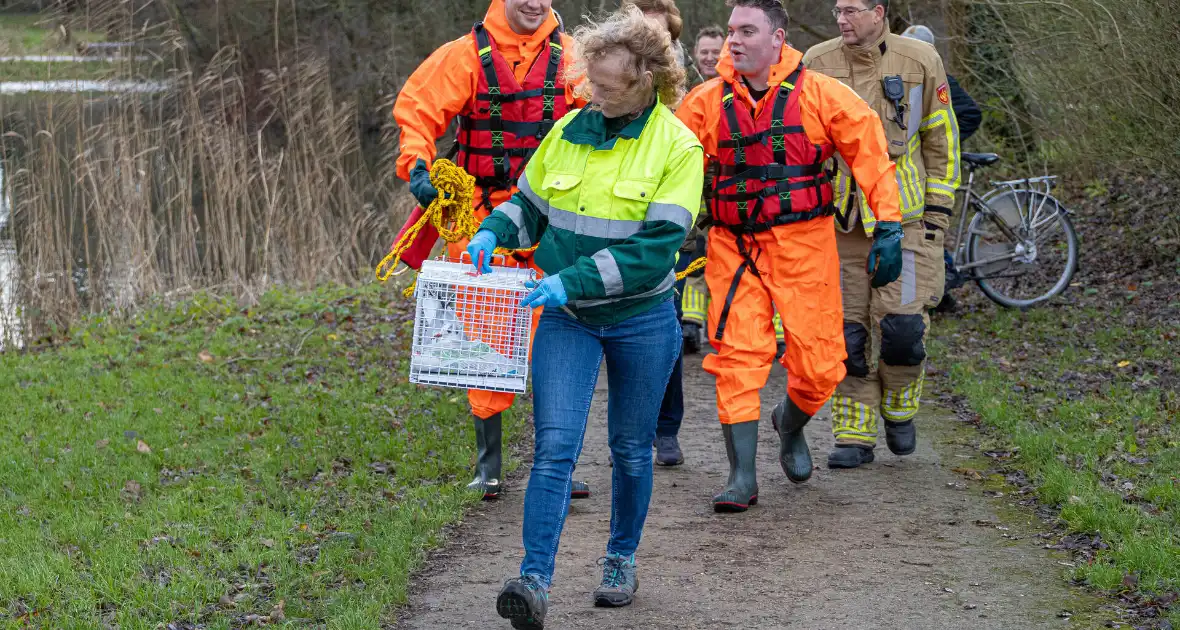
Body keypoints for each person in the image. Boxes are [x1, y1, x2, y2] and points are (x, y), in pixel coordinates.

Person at [471, 6, 703, 625]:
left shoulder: (679, 148)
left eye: (606, 84)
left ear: (646, 79)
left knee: (630, 449)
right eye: (590, 80)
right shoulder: (570, 128)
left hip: (641, 317)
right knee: (554, 448)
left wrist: (563, 280)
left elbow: (654, 248)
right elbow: (530, 205)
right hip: (568, 316)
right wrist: (493, 232)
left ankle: (620, 558)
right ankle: (533, 580)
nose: (591, 92)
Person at [676, 0, 904, 512]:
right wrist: (668, 228)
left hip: (804, 244)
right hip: (733, 246)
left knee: (823, 364)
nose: (733, 41)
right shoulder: (704, 102)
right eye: (731, 30)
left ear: (777, 39)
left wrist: (888, 224)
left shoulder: (821, 94)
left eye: (747, 31)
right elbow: (669, 161)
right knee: (737, 358)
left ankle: (790, 421)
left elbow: (870, 150)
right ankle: (741, 476)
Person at [392, 0, 591, 501]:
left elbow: (606, 118)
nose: (534, 2)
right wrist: (419, 167)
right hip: (479, 214)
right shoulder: (464, 57)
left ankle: (557, 465)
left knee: (558, 340)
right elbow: (417, 112)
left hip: (552, 215)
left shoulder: (573, 59)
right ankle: (490, 467)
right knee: (488, 336)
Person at [804, 0, 962, 469]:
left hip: (908, 221)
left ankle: (899, 406)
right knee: (847, 336)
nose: (841, 18)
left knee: (902, 330)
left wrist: (937, 215)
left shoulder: (920, 61)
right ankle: (854, 433)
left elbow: (942, 140)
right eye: (837, 10)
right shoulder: (817, 62)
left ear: (879, 11)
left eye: (852, 10)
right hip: (840, 223)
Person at [900, 23, 982, 313]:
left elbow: (970, 115)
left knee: (928, 226)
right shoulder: (901, 79)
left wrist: (942, 143)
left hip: (935, 170)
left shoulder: (943, 80)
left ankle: (942, 289)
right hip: (912, 170)